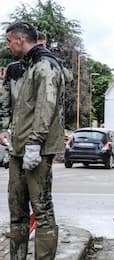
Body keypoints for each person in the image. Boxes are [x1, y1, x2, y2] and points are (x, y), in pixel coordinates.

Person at [0, 22, 65, 260]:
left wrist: (34, 143)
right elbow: (22, 108)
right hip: (18, 148)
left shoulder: (45, 65)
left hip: (37, 149)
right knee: (16, 209)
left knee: (42, 210)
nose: (8, 46)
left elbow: (46, 107)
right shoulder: (26, 67)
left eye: (8, 41)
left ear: (19, 40)